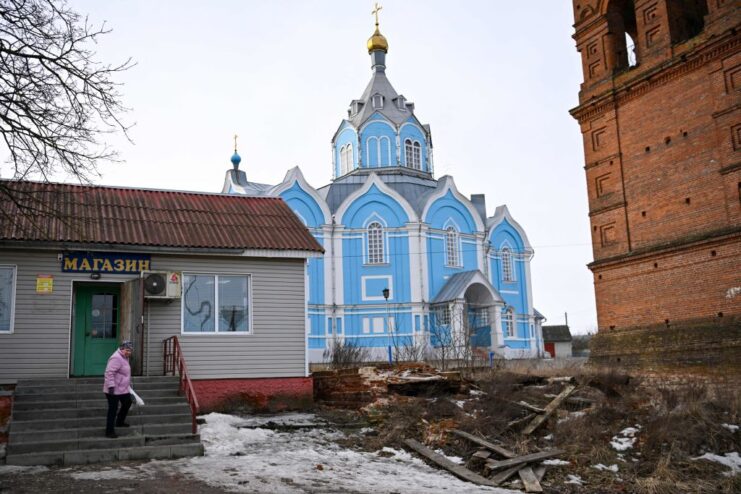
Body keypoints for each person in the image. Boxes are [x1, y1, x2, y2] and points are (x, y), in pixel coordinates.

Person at [103, 340, 133, 438]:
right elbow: (109, 373)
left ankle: (119, 422)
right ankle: (109, 431)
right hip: (113, 389)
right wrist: (111, 386)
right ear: (122, 348)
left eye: (130, 350)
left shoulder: (124, 357)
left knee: (128, 402)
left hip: (122, 388)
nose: (129, 352)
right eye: (127, 350)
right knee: (113, 409)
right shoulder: (116, 357)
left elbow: (124, 373)